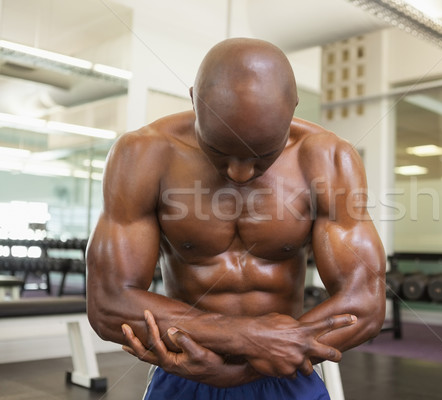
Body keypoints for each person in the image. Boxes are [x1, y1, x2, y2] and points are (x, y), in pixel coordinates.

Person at [86, 37, 386, 399]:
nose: (240, 174)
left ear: (292, 109)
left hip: (286, 368)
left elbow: (365, 304)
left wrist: (242, 365)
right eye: (218, 150)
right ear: (195, 99)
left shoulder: (328, 160)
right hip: (188, 371)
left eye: (263, 154)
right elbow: (108, 301)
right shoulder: (143, 155)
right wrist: (244, 337)